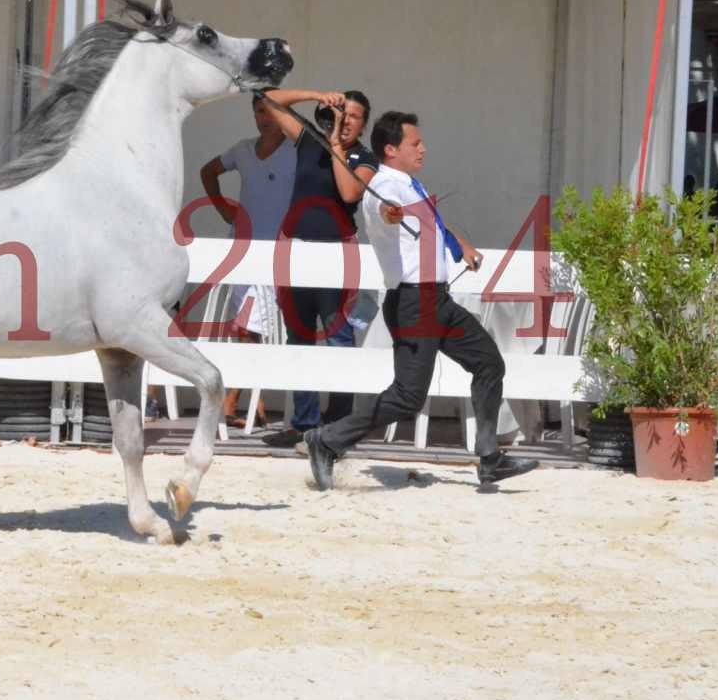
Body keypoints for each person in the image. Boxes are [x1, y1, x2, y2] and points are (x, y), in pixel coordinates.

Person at [301, 111, 537, 490]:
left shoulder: (414, 186)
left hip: (437, 301)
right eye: (415, 143)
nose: (423, 148)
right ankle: (326, 439)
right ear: (391, 149)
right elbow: (381, 214)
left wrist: (460, 246)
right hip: (414, 303)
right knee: (408, 397)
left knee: (489, 362)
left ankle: (490, 457)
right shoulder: (386, 187)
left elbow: (432, 225)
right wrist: (388, 214)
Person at [255, 88, 378, 447]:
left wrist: (336, 143)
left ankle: (338, 428)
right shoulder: (309, 138)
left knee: (339, 338)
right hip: (297, 252)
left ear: (363, 124)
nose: (345, 121)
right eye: (343, 112)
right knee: (299, 338)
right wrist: (315, 95)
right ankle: (304, 424)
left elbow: (349, 194)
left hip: (337, 256)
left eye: (353, 116)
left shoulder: (363, 157)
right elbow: (268, 99)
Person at [200, 94, 300, 427]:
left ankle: (234, 402)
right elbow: (208, 172)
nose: (265, 117)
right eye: (259, 111)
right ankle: (250, 402)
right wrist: (222, 208)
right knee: (243, 326)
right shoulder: (242, 150)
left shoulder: (296, 151)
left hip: (277, 252)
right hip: (242, 248)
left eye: (271, 111)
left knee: (254, 325)